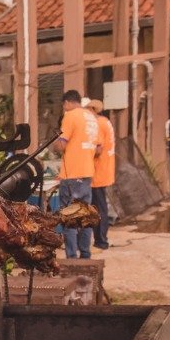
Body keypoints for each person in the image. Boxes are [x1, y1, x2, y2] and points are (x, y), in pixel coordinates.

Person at [55, 90, 99, 259]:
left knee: (70, 218)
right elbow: (97, 148)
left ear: (67, 103)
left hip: (73, 174)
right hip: (87, 172)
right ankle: (85, 255)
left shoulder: (71, 115)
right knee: (85, 216)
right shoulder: (91, 118)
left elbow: (61, 145)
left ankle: (72, 257)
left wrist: (54, 144)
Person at [87, 98, 115, 249]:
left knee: (99, 208)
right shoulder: (106, 121)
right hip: (105, 169)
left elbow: (98, 149)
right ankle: (101, 239)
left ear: (93, 110)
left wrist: (83, 152)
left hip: (98, 172)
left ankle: (101, 241)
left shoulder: (97, 124)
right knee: (101, 206)